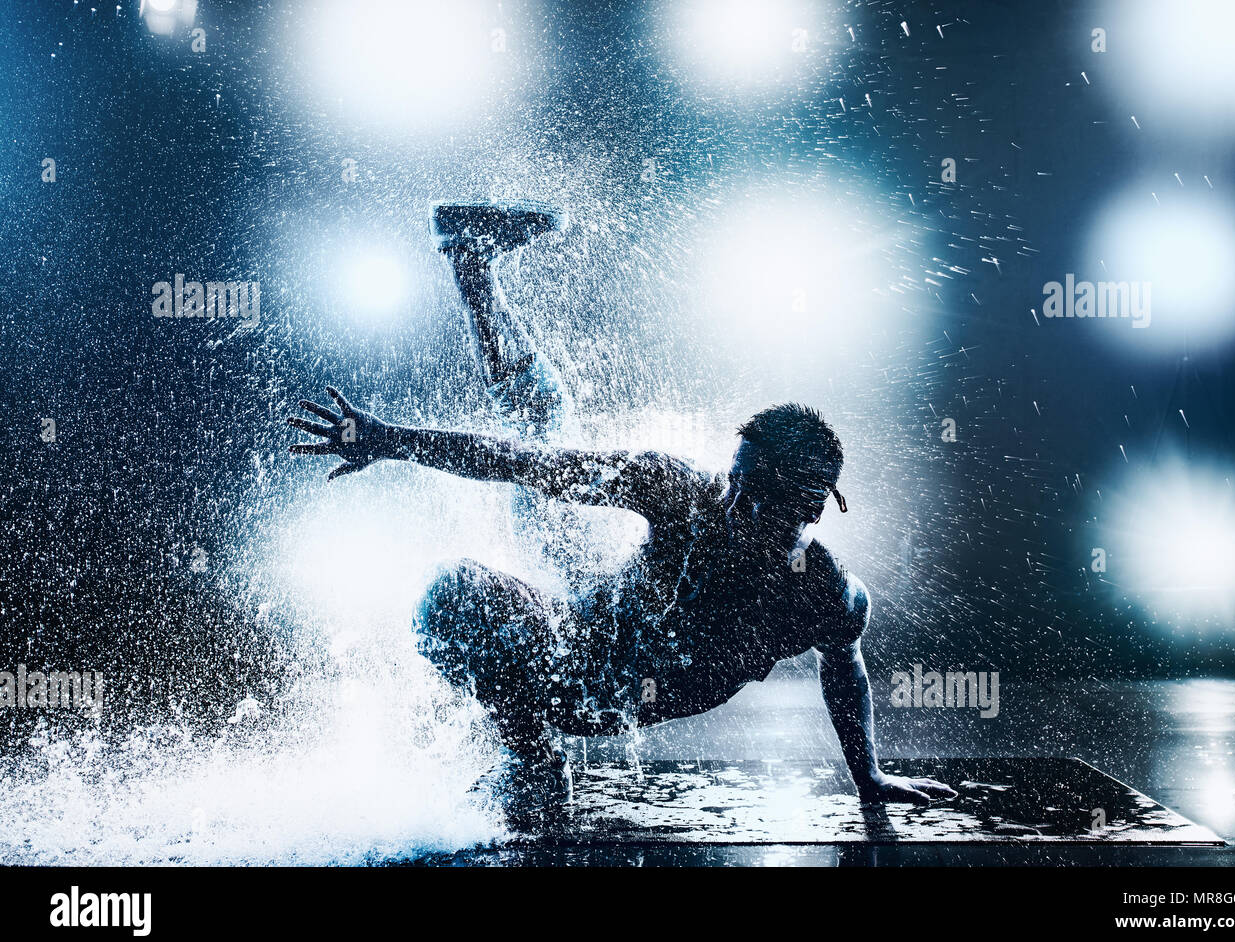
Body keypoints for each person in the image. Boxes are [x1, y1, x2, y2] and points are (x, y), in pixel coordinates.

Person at [288, 201, 955, 813]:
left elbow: (844, 665)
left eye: (755, 500)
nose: (731, 503)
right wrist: (390, 441)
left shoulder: (826, 595)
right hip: (568, 638)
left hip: (620, 689)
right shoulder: (682, 494)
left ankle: (470, 258)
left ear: (810, 509)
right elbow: (524, 467)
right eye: (733, 481)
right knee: (461, 576)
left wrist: (867, 776)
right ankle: (534, 757)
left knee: (541, 423)